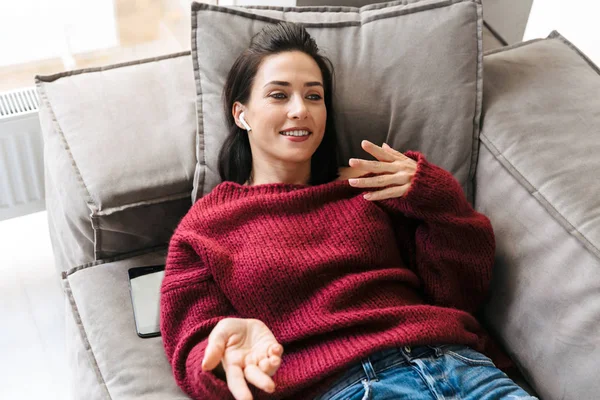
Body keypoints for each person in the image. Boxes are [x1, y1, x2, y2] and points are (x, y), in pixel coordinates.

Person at [160, 22, 537, 400]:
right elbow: (194, 344)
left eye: (313, 96)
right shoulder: (205, 228)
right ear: (241, 114)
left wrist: (437, 197)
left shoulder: (377, 182)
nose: (299, 111)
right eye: (278, 95)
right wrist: (225, 361)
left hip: (462, 367)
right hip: (349, 387)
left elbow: (458, 292)